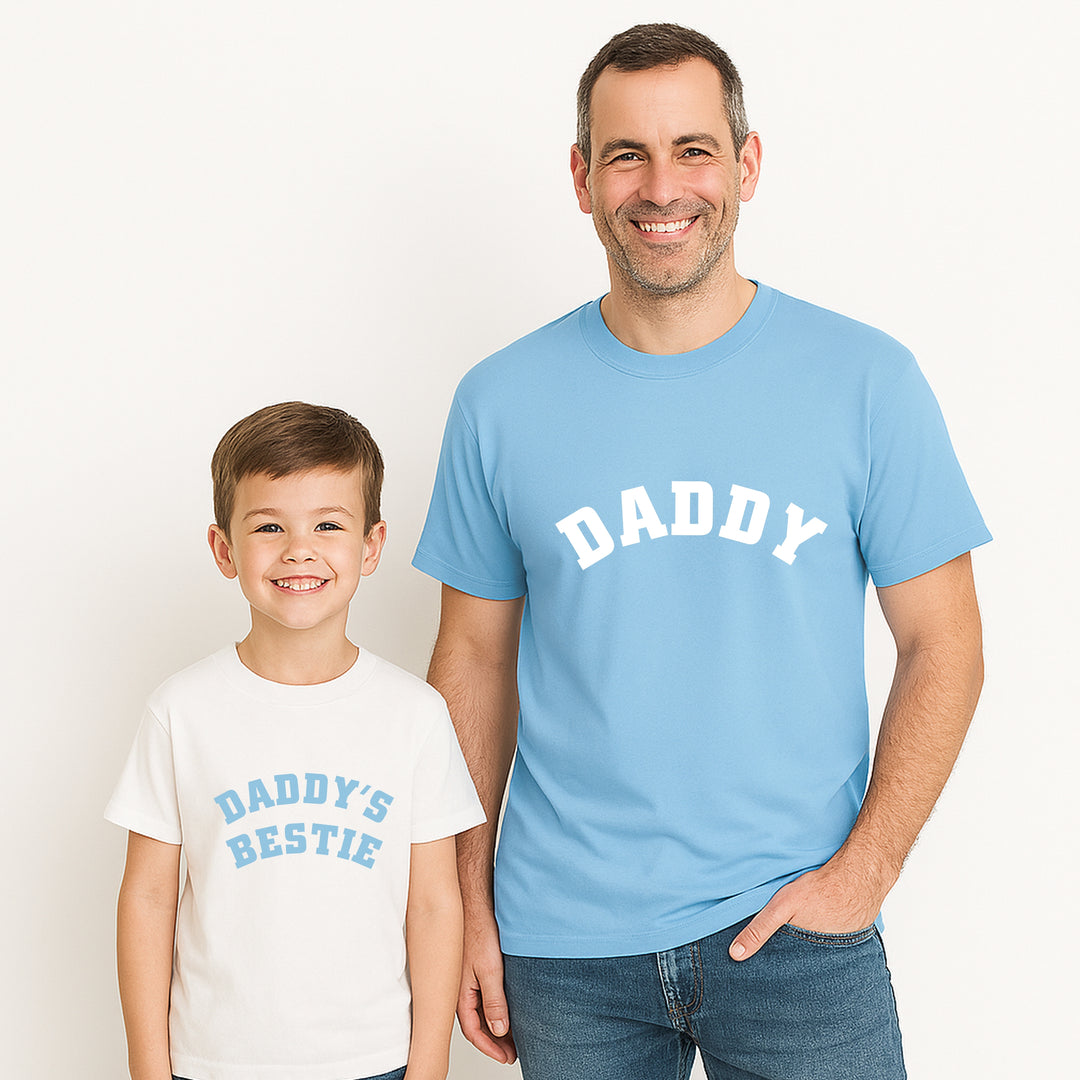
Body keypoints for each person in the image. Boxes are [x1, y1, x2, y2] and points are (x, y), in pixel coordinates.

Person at [412, 22, 989, 1080]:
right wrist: (467, 906)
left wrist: (865, 872)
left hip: (797, 932)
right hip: (565, 947)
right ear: (582, 178)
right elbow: (472, 664)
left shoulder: (865, 380)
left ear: (747, 164)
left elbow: (945, 642)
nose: (660, 185)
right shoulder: (499, 402)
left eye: (693, 149)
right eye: (626, 153)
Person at [106, 402, 484, 1080]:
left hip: (375, 1062)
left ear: (371, 546)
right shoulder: (181, 711)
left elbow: (432, 904)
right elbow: (148, 899)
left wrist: (429, 1066)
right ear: (225, 549)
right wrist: (148, 1067)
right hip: (212, 1063)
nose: (298, 548)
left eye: (328, 525)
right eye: (270, 525)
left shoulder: (415, 715)